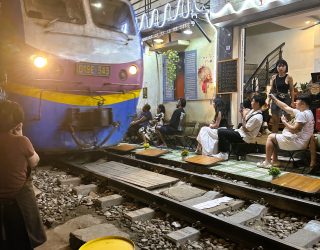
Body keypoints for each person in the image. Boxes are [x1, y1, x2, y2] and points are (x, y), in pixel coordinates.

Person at [0, 100, 46, 250]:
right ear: (17, 123)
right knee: (22, 240)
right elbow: (34, 162)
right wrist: (20, 134)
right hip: (17, 201)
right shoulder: (21, 142)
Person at [257, 93, 315, 169]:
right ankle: (274, 161)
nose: (295, 102)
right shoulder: (308, 112)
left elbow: (295, 130)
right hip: (302, 142)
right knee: (275, 137)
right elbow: (285, 107)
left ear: (303, 103)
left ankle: (267, 162)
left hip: (298, 143)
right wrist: (274, 99)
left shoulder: (302, 114)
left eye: (297, 101)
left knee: (270, 137)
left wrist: (284, 122)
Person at [212, 95, 265, 160]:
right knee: (222, 129)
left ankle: (224, 154)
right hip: (240, 132)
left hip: (245, 136)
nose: (251, 103)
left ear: (257, 103)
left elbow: (246, 129)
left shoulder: (258, 117)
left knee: (221, 132)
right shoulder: (252, 111)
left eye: (253, 101)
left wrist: (244, 115)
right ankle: (225, 151)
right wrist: (243, 113)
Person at [268, 59, 294, 133]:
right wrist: (268, 100)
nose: (281, 68)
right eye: (279, 66)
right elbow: (272, 90)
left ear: (286, 67)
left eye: (283, 66)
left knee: (287, 120)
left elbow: (292, 90)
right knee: (275, 120)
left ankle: (288, 136)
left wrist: (292, 101)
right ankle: (274, 137)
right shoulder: (274, 77)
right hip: (275, 98)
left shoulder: (289, 77)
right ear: (277, 67)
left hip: (286, 99)